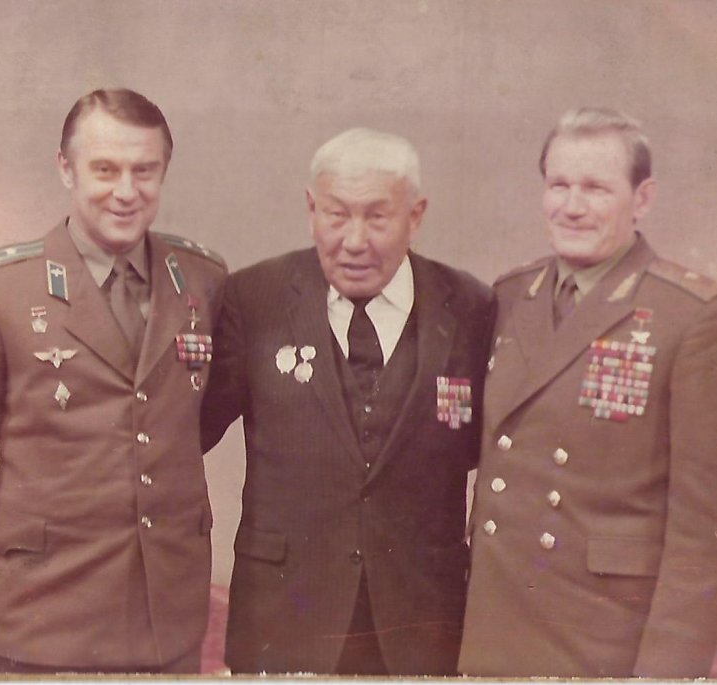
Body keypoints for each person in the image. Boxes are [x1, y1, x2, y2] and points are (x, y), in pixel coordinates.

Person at [0, 88, 227, 674]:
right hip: (44, 611)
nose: (126, 191)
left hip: (168, 614)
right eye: (104, 170)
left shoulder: (201, 279)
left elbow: (187, 422)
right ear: (65, 168)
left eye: (144, 170)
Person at [459, 107, 717, 678]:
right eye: (559, 185)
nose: (572, 206)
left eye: (596, 188)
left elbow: (709, 530)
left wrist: (666, 674)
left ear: (642, 199)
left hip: (604, 640)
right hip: (496, 627)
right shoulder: (511, 296)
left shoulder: (693, 317)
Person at [200, 128, 496, 675]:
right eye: (337, 215)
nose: (354, 241)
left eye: (377, 217)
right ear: (311, 209)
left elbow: (491, 451)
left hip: (420, 620)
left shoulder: (470, 307)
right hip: (283, 616)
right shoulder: (254, 298)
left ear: (416, 215)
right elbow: (185, 432)